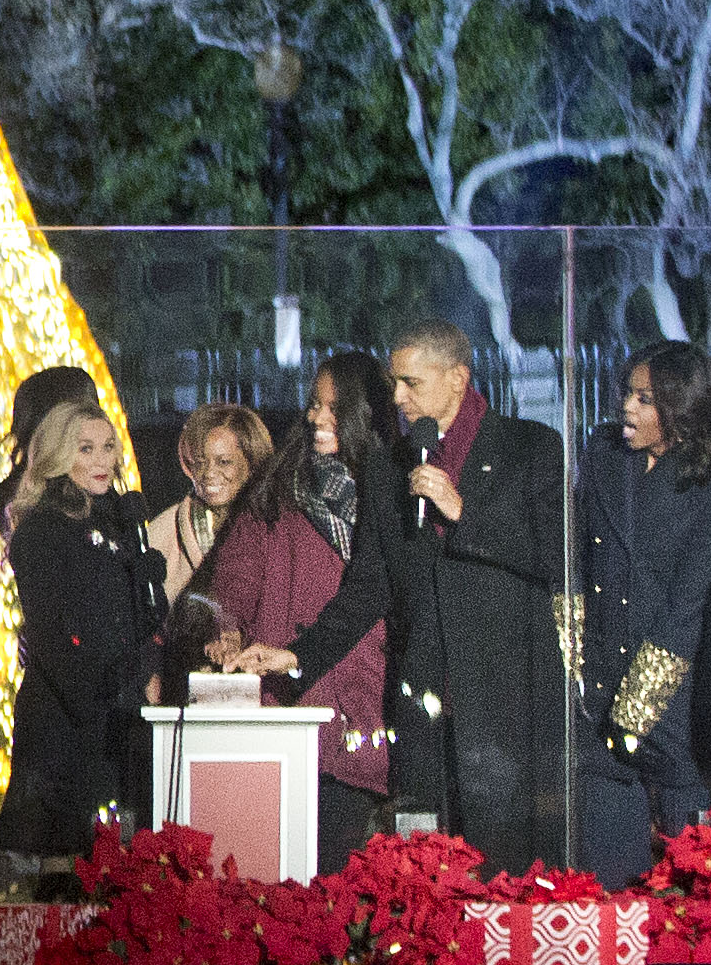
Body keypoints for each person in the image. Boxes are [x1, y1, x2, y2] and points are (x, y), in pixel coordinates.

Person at [261, 325, 572, 872]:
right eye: (394, 383)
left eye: (410, 383)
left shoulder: (532, 449)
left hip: (508, 707)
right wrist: (298, 656)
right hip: (423, 707)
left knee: (507, 872)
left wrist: (463, 514)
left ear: (457, 380)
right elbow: (367, 589)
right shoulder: (388, 467)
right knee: (424, 873)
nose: (397, 398)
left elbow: (558, 560)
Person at [202, 350, 396, 868]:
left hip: (361, 710)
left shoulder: (396, 496)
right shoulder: (280, 491)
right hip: (286, 709)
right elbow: (235, 578)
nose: (315, 417)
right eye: (314, 405)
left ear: (365, 414)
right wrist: (229, 629)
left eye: (332, 408)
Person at [577, 340, 711, 880]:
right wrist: (578, 668)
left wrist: (637, 703)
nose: (627, 407)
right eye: (628, 393)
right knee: (608, 861)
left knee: (693, 864)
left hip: (673, 685)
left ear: (682, 410)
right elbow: (578, 565)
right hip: (599, 675)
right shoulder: (605, 462)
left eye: (645, 398)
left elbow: (686, 605)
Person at [0, 390, 163, 863]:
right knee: (62, 877)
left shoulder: (120, 523)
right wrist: (104, 696)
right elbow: (53, 637)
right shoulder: (44, 529)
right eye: (85, 448)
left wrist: (149, 586)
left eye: (108, 446)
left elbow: (143, 623)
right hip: (67, 720)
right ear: (56, 454)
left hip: (117, 717)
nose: (101, 460)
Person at [150, 404, 263, 597]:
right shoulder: (161, 533)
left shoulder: (278, 528)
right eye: (201, 461)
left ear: (252, 462)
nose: (209, 473)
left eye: (224, 462)